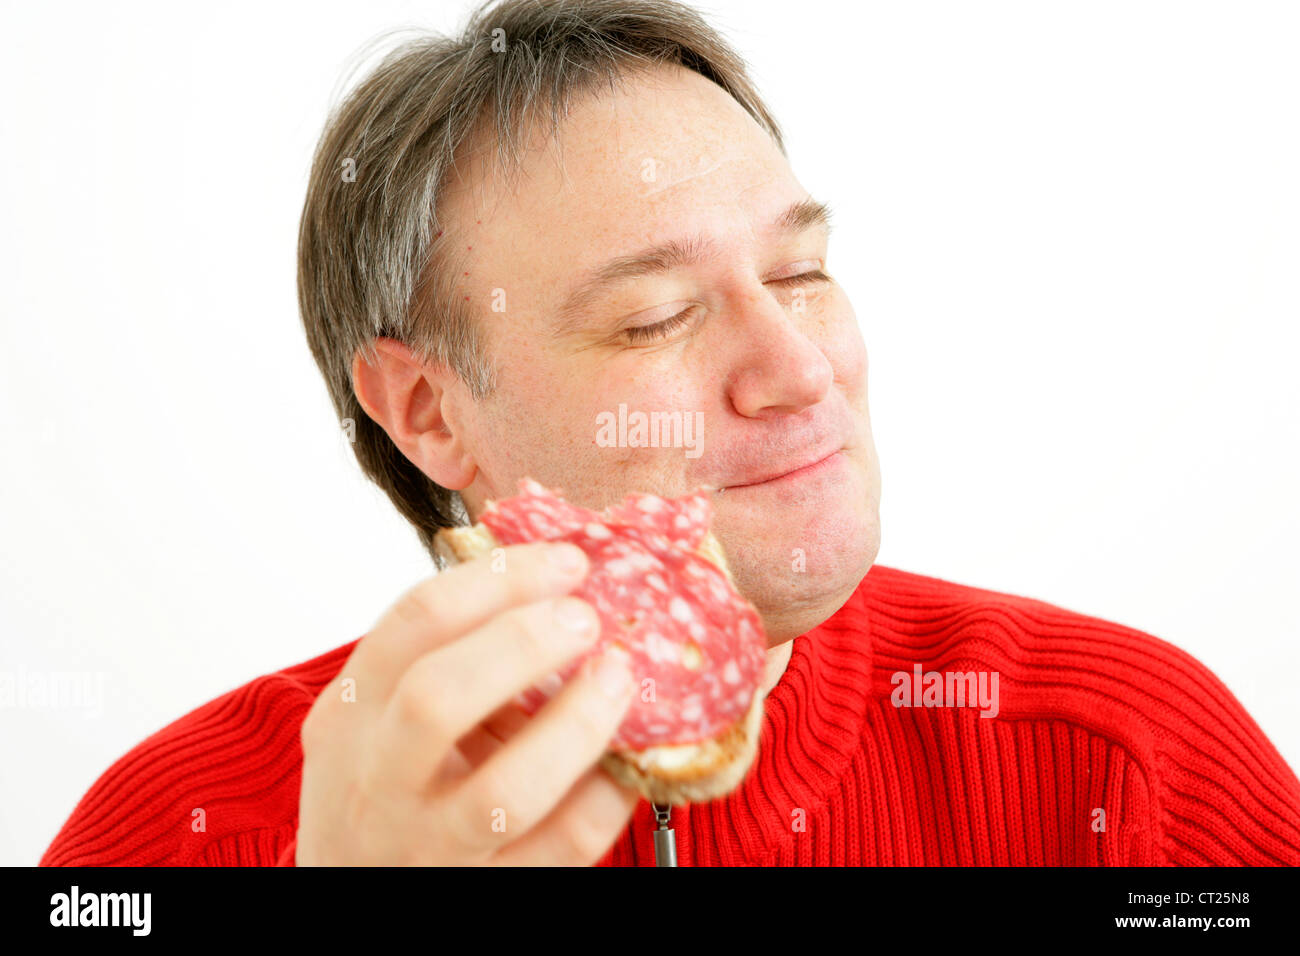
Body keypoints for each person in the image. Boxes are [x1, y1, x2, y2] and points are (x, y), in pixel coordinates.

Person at [41, 0, 1300, 866]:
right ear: (428, 412)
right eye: (651, 319)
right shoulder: (170, 833)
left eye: (801, 274)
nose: (798, 368)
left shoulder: (1132, 769)